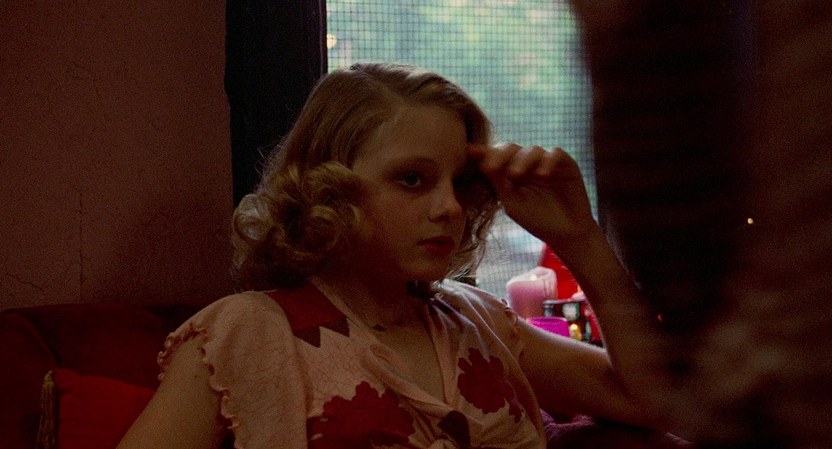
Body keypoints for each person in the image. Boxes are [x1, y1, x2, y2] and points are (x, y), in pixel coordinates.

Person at [116, 62, 672, 449]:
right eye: (412, 180)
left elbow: (659, 401)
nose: (450, 208)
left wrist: (582, 240)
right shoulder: (244, 331)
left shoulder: (479, 322)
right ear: (326, 186)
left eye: (460, 182)